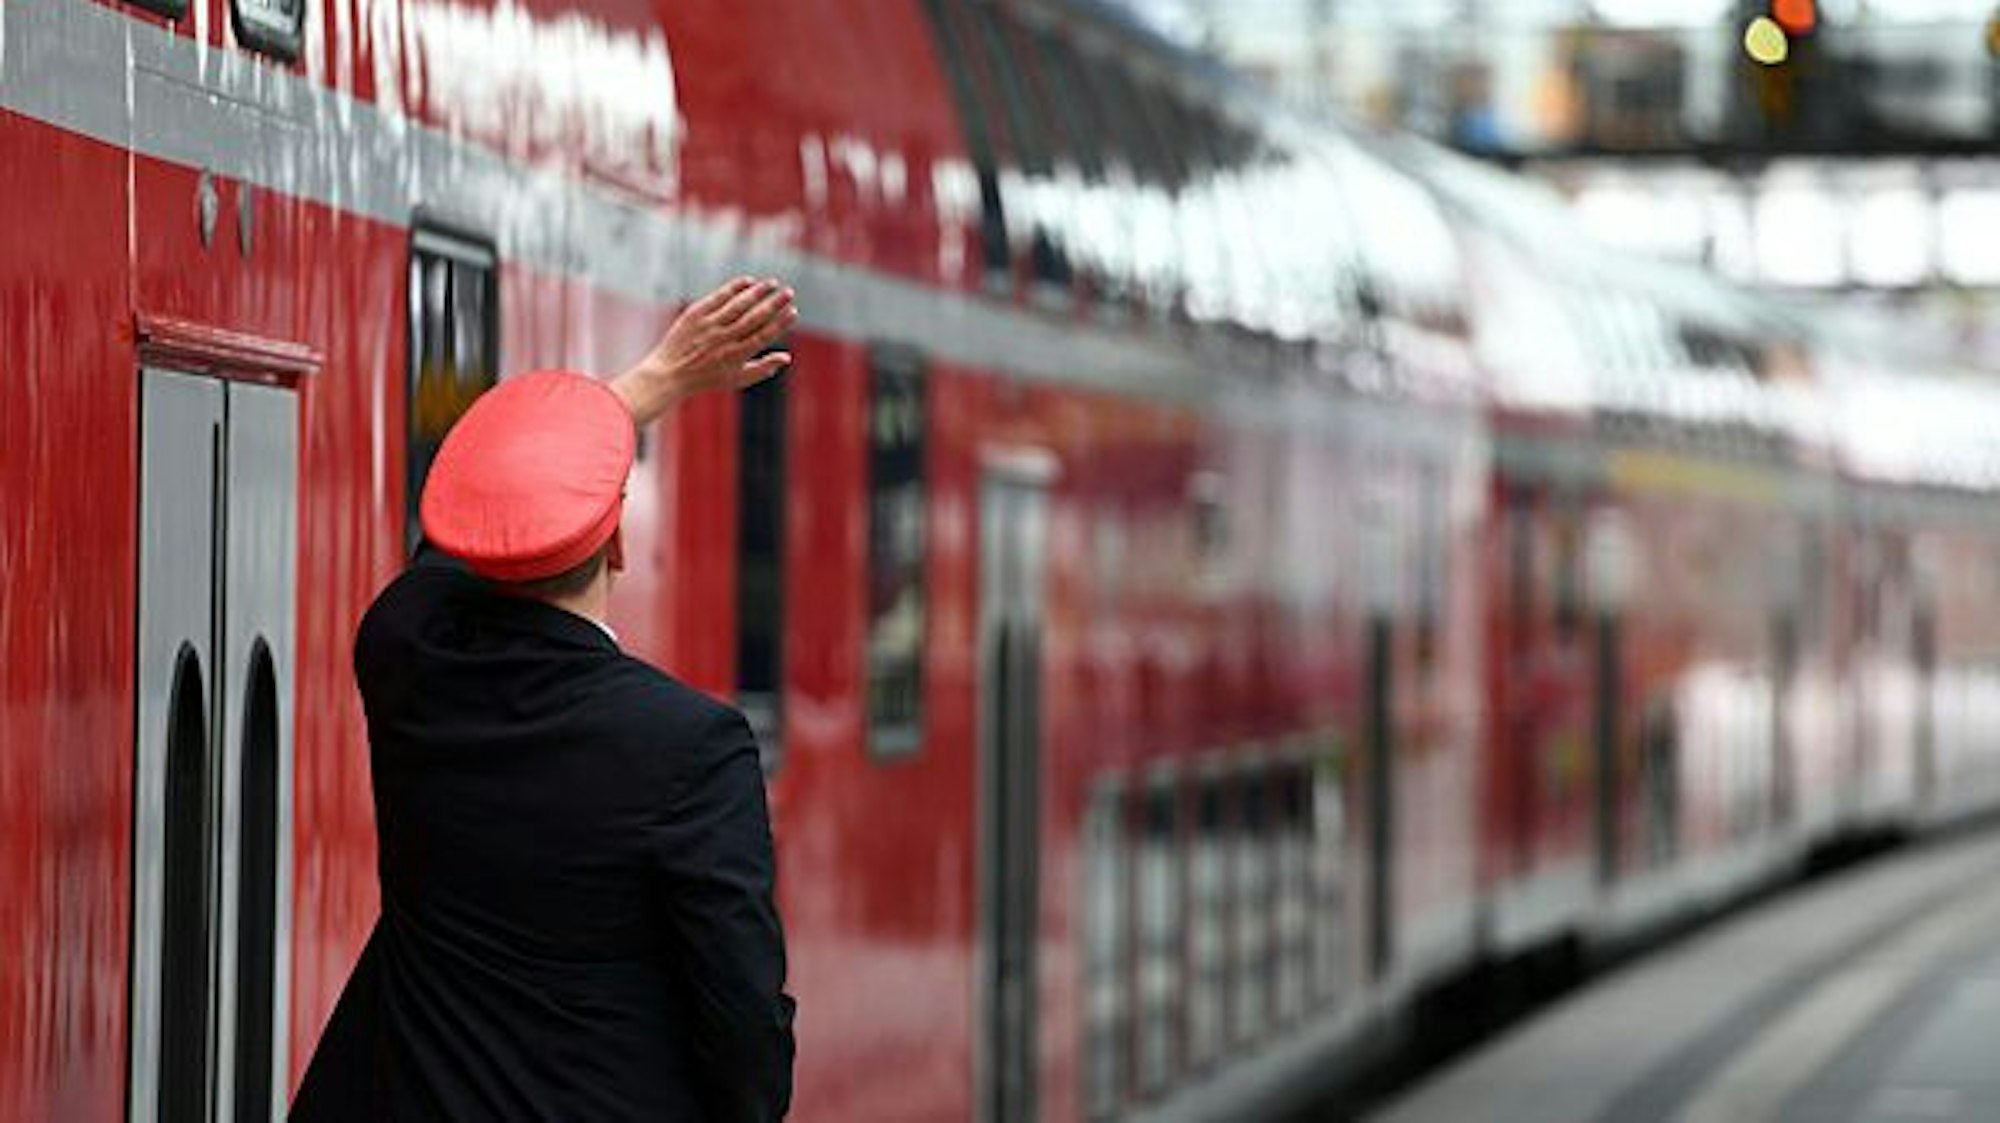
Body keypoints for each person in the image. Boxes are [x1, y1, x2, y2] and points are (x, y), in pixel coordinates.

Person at [291, 277, 801, 1122]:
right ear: (620, 542)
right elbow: (747, 1043)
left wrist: (647, 386)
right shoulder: (690, 747)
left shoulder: (409, 661)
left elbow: (456, 544)